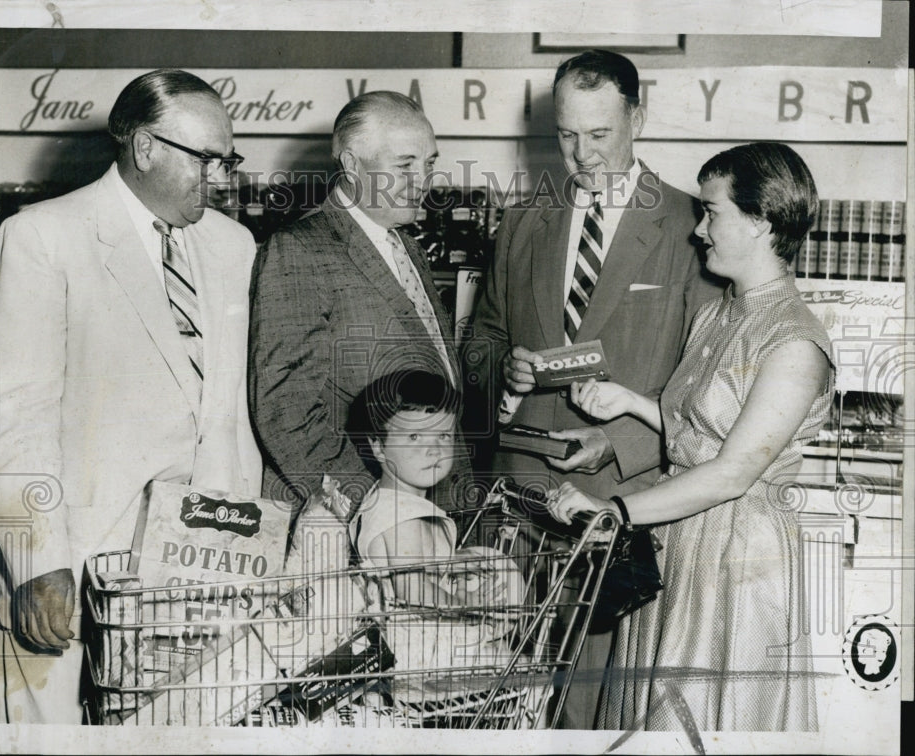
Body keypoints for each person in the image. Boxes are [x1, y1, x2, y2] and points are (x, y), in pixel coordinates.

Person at [0, 69, 264, 724]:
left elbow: (234, 412)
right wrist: (37, 561)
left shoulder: (235, 247)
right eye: (207, 159)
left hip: (204, 572)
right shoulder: (42, 238)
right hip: (73, 569)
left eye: (229, 159)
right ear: (144, 146)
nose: (222, 178)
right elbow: (12, 418)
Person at [462, 49, 723, 727]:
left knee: (584, 711)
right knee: (494, 694)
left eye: (600, 134)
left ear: (638, 117)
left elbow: (702, 383)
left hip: (615, 501)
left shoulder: (694, 230)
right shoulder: (523, 222)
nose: (582, 155)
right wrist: (505, 371)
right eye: (567, 135)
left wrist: (616, 442)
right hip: (515, 501)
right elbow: (482, 342)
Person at [546, 142, 834, 731]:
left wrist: (614, 509)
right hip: (677, 541)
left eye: (712, 212)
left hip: (737, 559)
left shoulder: (795, 343)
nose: (699, 230)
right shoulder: (718, 314)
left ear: (760, 221)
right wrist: (629, 403)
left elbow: (731, 472)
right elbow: (696, 432)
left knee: (699, 722)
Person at [250, 91, 464, 517]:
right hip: (349, 520)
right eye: (404, 165)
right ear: (351, 165)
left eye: (429, 164)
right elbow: (285, 410)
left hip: (418, 508)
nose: (422, 181)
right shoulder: (300, 249)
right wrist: (375, 507)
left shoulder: (405, 246)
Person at [345, 370, 521, 609]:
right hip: (419, 638)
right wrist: (462, 605)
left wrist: (445, 562)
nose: (434, 450)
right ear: (378, 447)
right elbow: (416, 596)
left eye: (443, 435)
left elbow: (406, 564)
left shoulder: (393, 502)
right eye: (415, 436)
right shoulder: (402, 518)